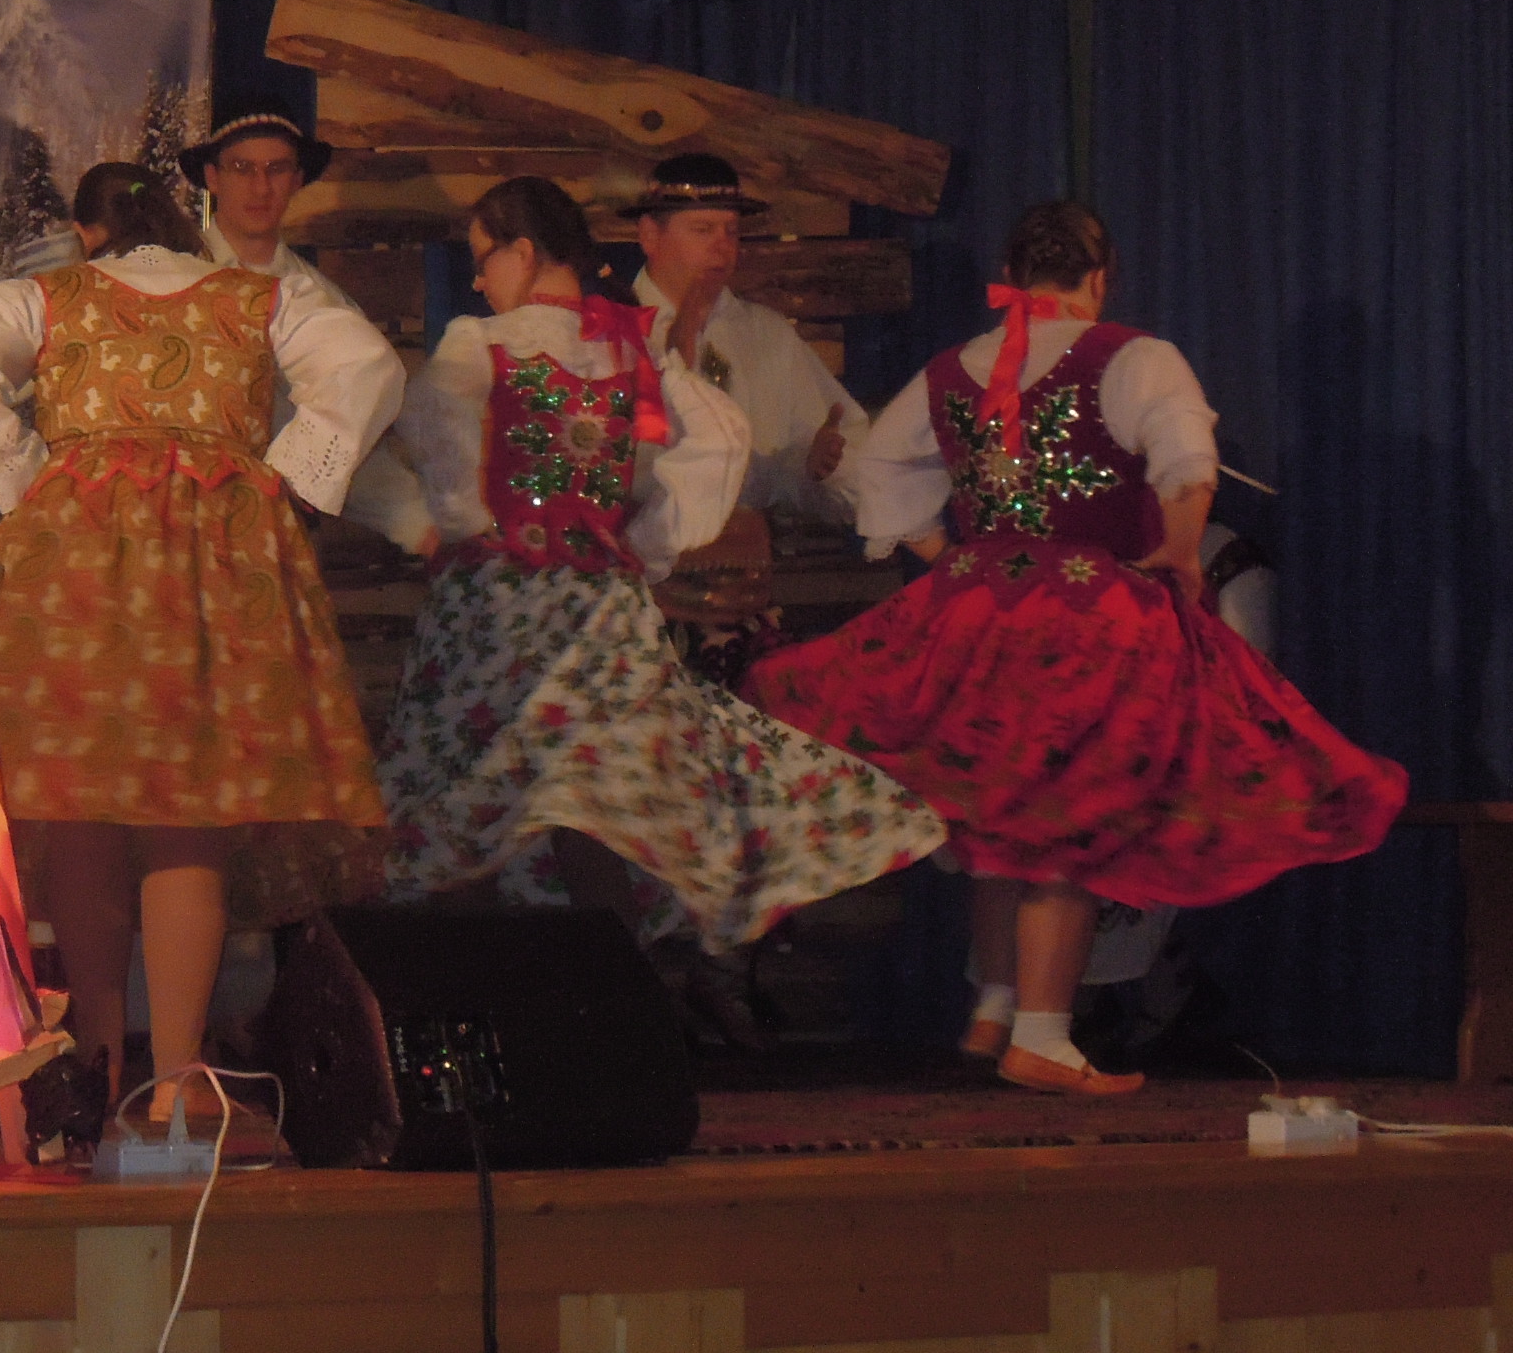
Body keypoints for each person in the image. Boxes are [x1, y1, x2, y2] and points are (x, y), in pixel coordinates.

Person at [742, 201, 1408, 1096]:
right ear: (1099, 277)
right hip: (1088, 613)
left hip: (979, 610)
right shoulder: (1133, 357)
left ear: (1011, 280)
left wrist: (956, 560)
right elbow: (1186, 458)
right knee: (1067, 815)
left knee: (995, 808)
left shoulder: (955, 367)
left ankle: (992, 1009)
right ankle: (1044, 1037)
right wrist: (1180, 553)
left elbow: (880, 471)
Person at [0, 163, 402, 1118]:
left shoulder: (45, 297)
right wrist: (285, 474)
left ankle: (94, 1070)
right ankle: (179, 1075)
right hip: (215, 560)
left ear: (88, 234)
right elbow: (368, 367)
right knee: (190, 812)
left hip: (73, 559)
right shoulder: (262, 298)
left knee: (82, 810)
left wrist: (25, 469)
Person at [376, 179, 945, 948]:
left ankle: (478, 995)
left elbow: (436, 437)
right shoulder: (627, 346)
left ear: (523, 252)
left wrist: (466, 525)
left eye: (484, 259)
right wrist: (641, 545)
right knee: (596, 807)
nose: (479, 281)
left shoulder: (479, 345)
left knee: (468, 796)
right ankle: (610, 989)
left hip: (497, 601)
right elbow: (719, 438)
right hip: (601, 604)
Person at [183, 94, 432, 551]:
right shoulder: (172, 279)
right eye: (242, 168)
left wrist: (418, 524)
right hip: (174, 520)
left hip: (270, 535)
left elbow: (355, 446)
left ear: (297, 179)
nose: (261, 187)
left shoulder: (326, 304)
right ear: (213, 177)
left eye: (277, 169)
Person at [628, 152, 868, 528]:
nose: (722, 246)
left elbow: (842, 463)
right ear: (650, 236)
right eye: (703, 230)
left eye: (731, 231)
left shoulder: (765, 335)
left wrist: (813, 468)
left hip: (749, 549)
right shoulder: (611, 333)